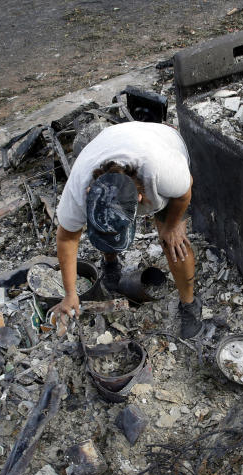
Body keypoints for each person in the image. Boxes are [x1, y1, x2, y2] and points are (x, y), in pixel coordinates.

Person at [51, 120, 202, 339]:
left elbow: (185, 190)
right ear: (89, 190)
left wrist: (172, 226)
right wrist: (70, 293)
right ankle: (110, 263)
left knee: (173, 243)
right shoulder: (79, 189)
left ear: (140, 201)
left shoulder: (161, 172)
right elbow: (66, 239)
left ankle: (189, 304)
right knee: (106, 227)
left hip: (161, 140)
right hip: (112, 140)